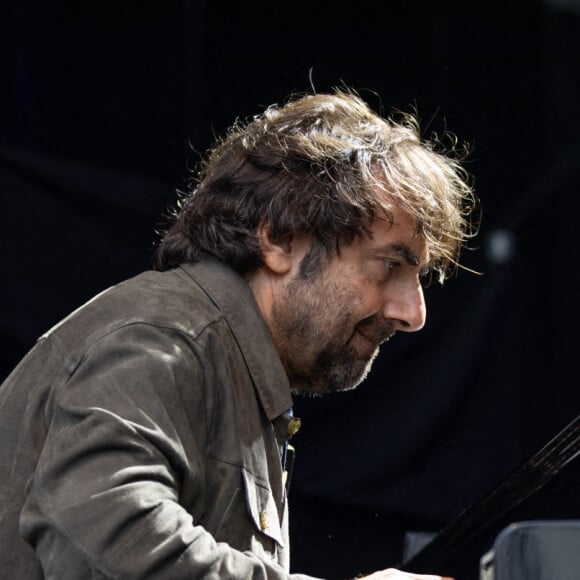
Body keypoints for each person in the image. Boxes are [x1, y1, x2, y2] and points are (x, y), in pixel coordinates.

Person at [0, 90, 475, 579]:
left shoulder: (223, 358)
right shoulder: (163, 341)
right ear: (280, 239)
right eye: (391, 265)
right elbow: (97, 547)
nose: (413, 313)